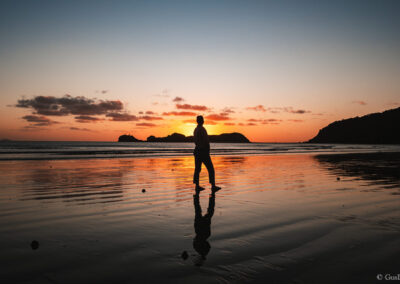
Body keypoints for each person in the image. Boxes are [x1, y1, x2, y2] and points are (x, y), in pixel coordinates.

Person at [193, 115, 221, 193]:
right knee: (210, 168)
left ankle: (197, 186)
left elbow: (195, 141)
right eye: (202, 120)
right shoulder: (202, 129)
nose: (203, 121)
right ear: (201, 121)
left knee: (197, 169)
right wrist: (207, 150)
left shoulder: (195, 129)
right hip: (203, 151)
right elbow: (206, 141)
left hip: (197, 151)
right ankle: (213, 186)